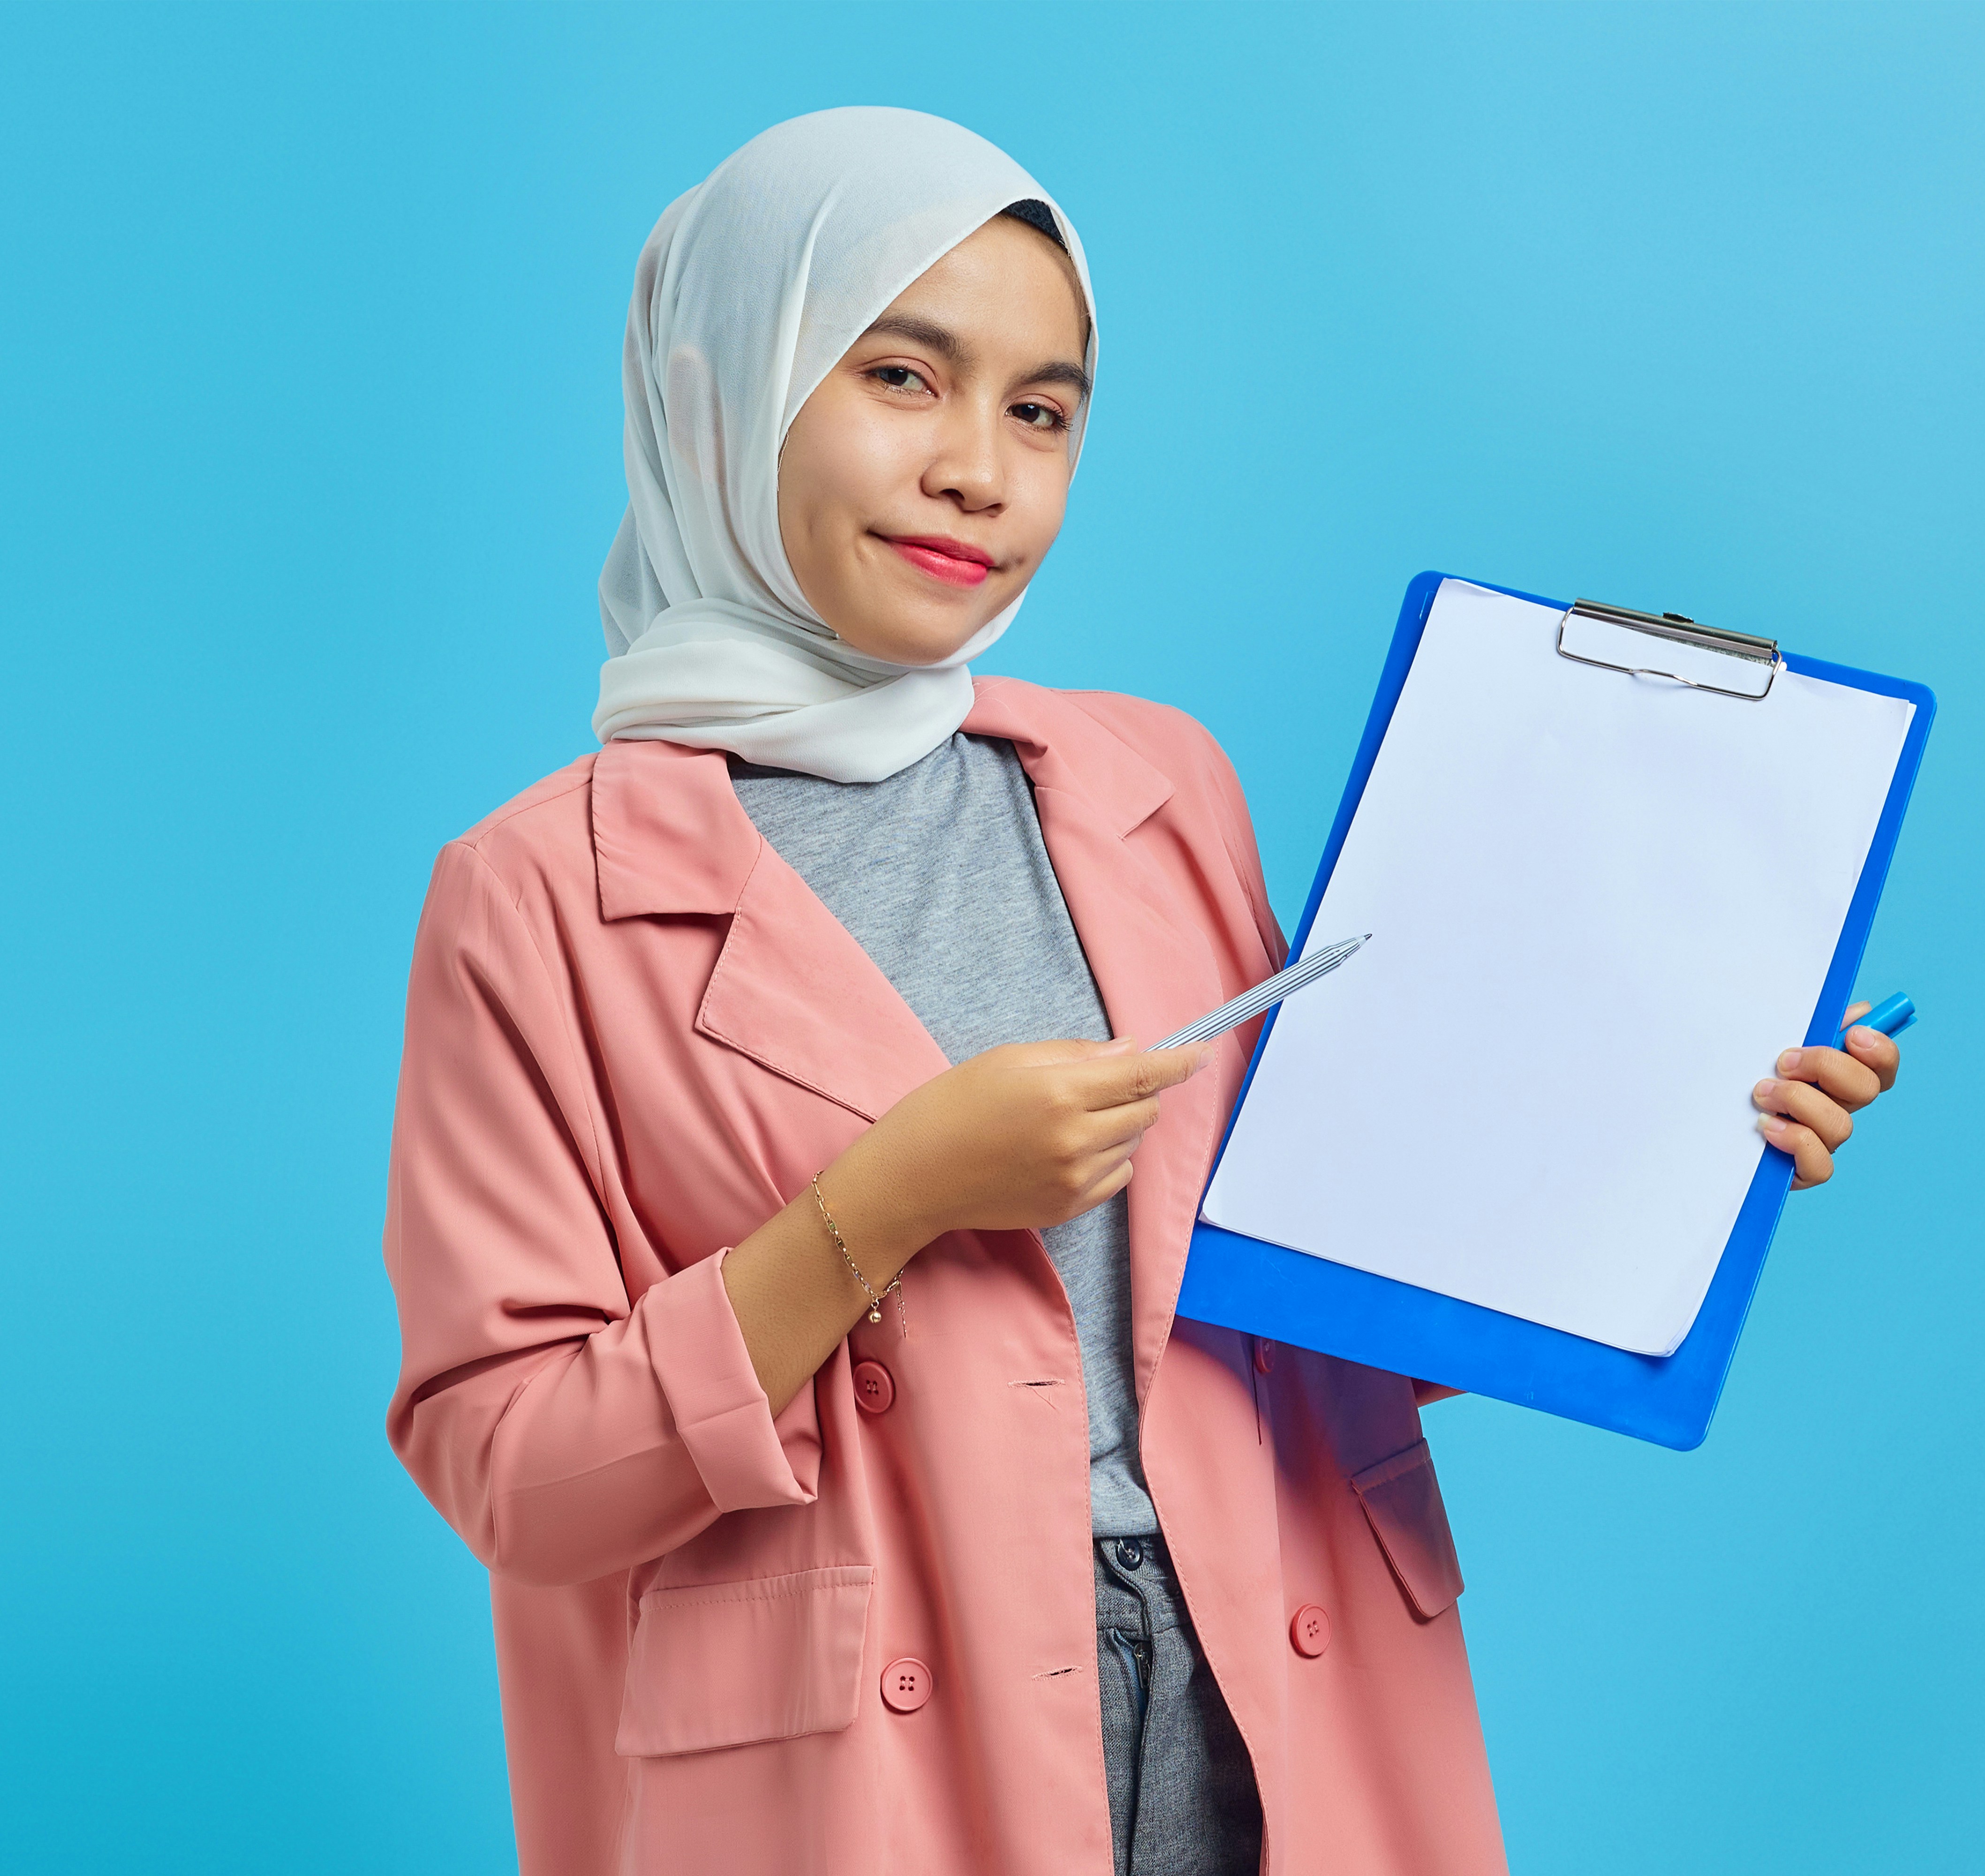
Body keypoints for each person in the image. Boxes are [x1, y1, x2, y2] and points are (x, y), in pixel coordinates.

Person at [381, 106, 1902, 1876]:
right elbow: (514, 1469)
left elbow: (1325, 1294)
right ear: (725, 385)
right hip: (862, 1763)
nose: (982, 469)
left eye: (1043, 408)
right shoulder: (541, 894)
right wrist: (884, 1206)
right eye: (902, 376)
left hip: (1272, 1687)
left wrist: (1678, 1137)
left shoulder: (1152, 788)